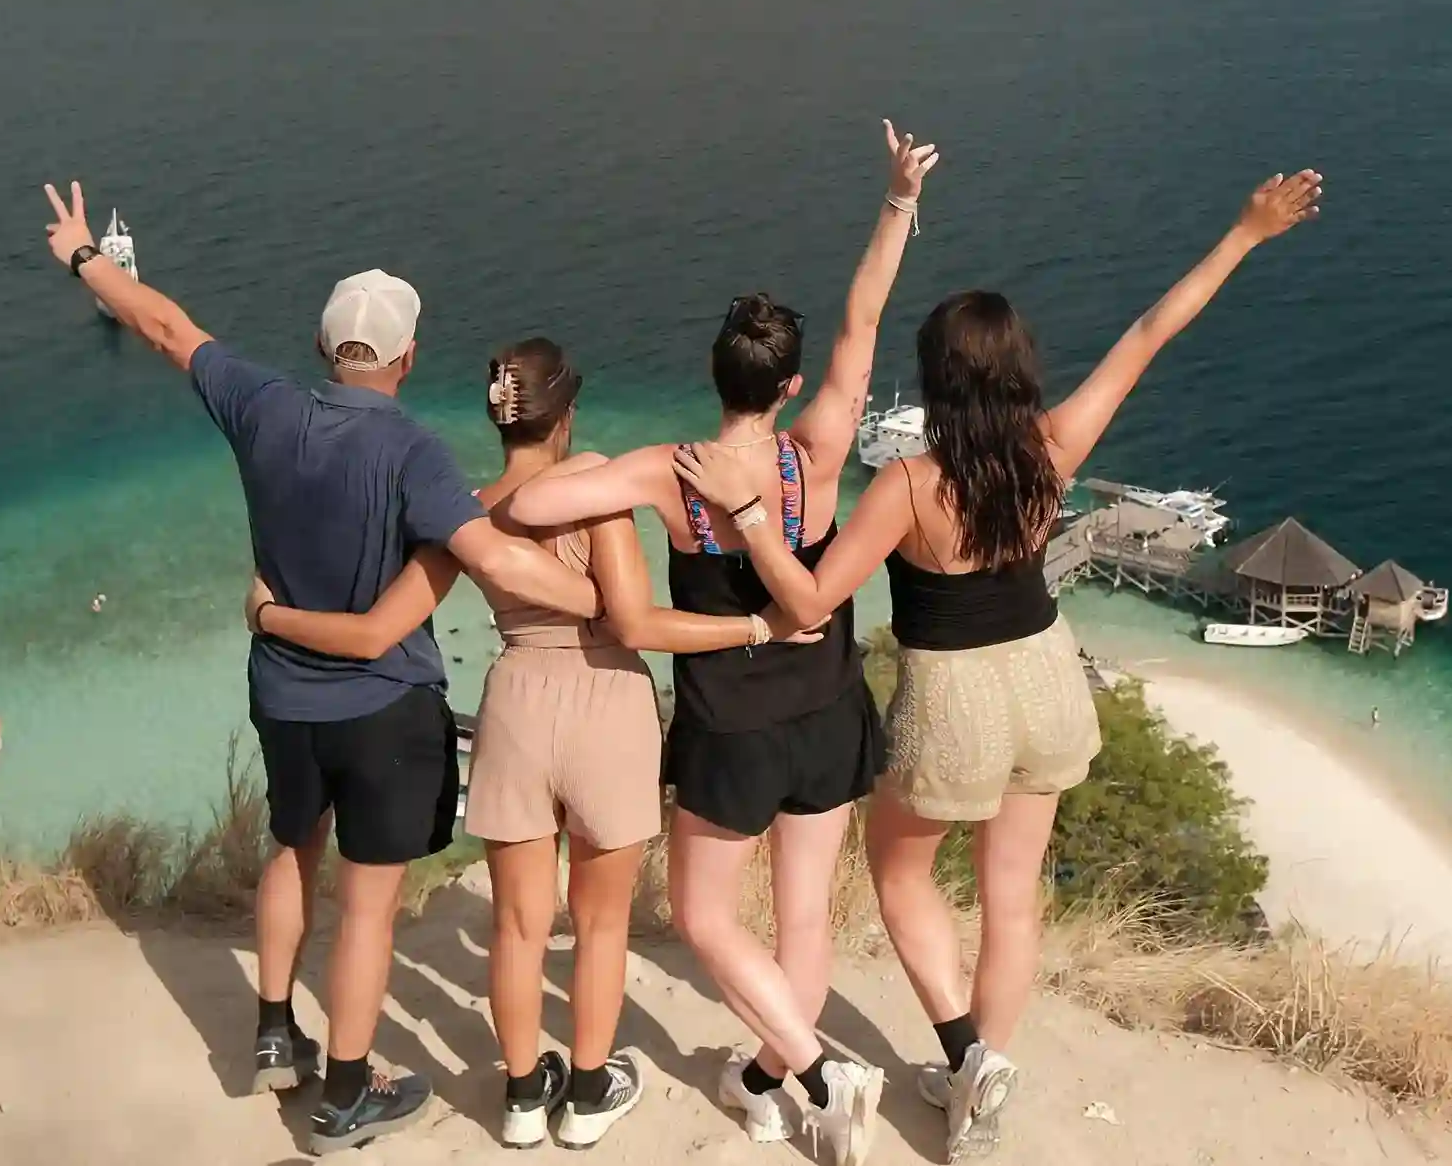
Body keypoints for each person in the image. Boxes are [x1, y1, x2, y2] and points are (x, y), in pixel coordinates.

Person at [683, 168, 1323, 1161]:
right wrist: (1245, 232)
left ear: (935, 381)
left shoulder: (907, 484)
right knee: (1011, 895)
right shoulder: (1054, 446)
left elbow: (807, 604)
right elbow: (1149, 333)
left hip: (953, 694)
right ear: (1020, 370)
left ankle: (964, 1053)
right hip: (1048, 676)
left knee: (902, 877)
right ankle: (976, 1092)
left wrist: (753, 518)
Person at [38, 183, 602, 1155]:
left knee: (291, 847)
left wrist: (86, 255)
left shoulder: (261, 406)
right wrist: (597, 600)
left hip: (283, 692)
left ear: (321, 345)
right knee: (368, 905)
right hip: (382, 710)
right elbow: (498, 561)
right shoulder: (416, 455)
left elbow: (166, 327)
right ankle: (345, 1092)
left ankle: (272, 1029)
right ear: (407, 357)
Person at [245, 339, 813, 1152]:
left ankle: (519, 1095)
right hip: (607, 705)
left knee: (517, 923)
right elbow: (630, 620)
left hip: (514, 704)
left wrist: (273, 615)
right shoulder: (594, 490)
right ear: (566, 412)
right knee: (600, 924)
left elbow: (384, 624)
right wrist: (760, 626)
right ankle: (586, 1092)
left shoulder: (465, 509)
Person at [506, 122, 939, 1166]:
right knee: (803, 915)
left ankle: (813, 1071)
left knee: (704, 915)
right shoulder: (817, 451)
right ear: (787, 387)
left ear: (716, 377)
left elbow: (529, 506)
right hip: (827, 708)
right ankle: (768, 1083)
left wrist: (600, 468)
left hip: (730, 723)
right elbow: (865, 319)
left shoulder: (670, 473)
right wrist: (898, 200)